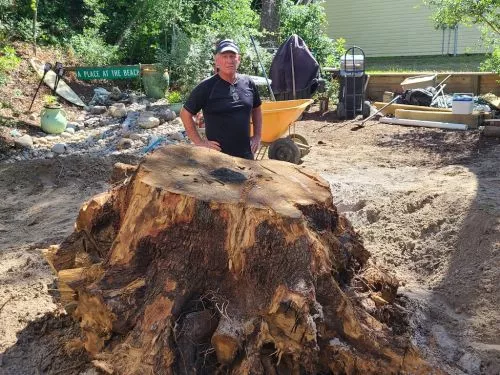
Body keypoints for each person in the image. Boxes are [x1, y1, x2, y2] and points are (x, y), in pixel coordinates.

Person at [180, 39, 263, 160]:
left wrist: (257, 136)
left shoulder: (248, 82)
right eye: (224, 56)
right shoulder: (206, 87)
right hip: (217, 158)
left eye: (232, 56)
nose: (229, 60)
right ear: (217, 61)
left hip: (246, 156)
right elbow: (185, 114)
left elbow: (257, 109)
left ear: (238, 59)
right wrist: (200, 143)